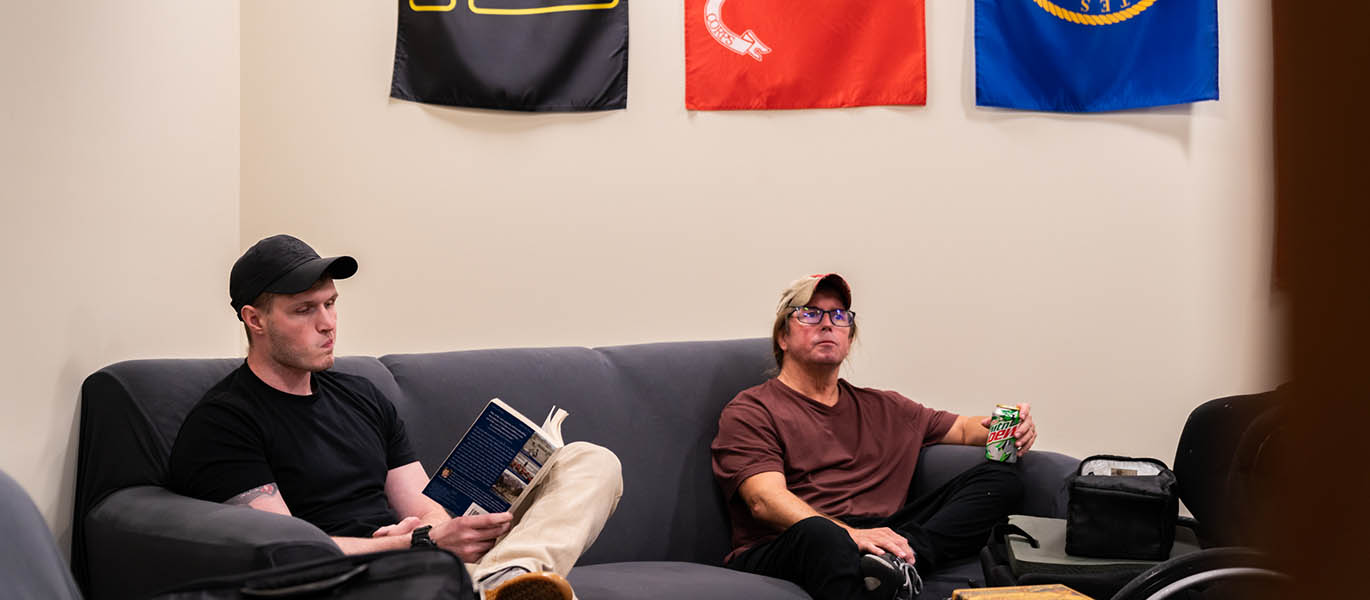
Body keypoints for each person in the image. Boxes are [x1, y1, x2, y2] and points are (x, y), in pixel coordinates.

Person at [168, 235, 622, 600]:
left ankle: (504, 579)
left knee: (588, 460)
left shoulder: (360, 395)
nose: (327, 323)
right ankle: (497, 583)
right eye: (305, 309)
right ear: (255, 320)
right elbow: (291, 553)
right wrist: (417, 544)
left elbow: (421, 504)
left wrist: (435, 528)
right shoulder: (225, 423)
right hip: (360, 575)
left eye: (330, 303)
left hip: (424, 557)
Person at [711, 273, 1038, 600]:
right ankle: (883, 563)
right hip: (789, 540)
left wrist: (1011, 427)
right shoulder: (751, 410)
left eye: (839, 316)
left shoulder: (887, 407)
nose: (827, 324)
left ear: (849, 338)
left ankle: (900, 561)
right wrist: (850, 535)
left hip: (883, 530)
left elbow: (967, 429)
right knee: (821, 534)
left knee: (1000, 480)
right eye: (810, 313)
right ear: (782, 336)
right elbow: (764, 501)